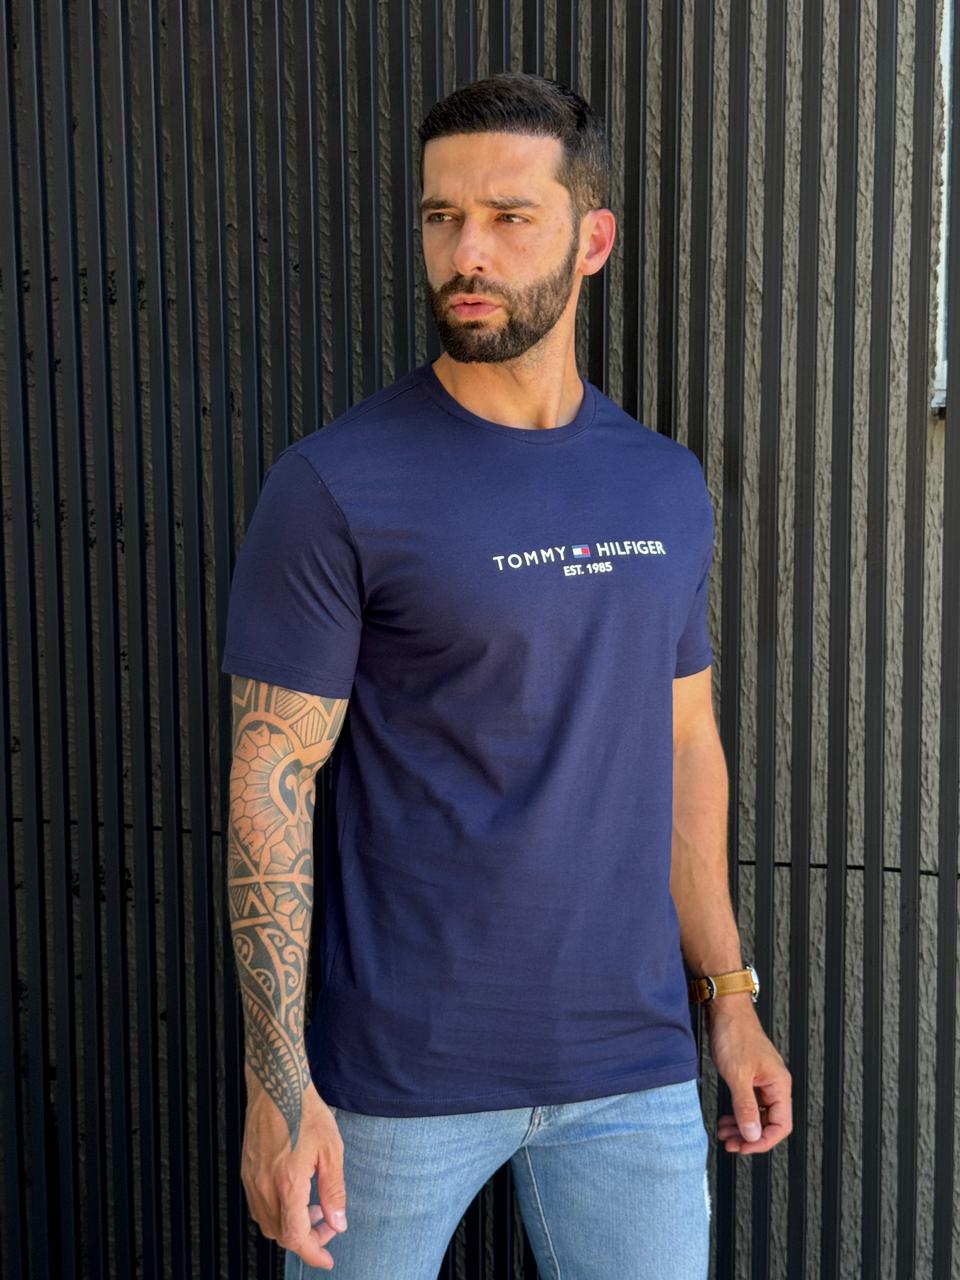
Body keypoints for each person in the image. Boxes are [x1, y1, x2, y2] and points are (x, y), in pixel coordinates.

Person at [221, 71, 792, 1279]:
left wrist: (730, 994)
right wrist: (279, 1080)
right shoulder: (336, 484)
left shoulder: (661, 483)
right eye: (441, 217)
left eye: (507, 217)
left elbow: (685, 746)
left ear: (594, 240)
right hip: (394, 1081)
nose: (465, 253)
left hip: (632, 1071)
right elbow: (271, 781)